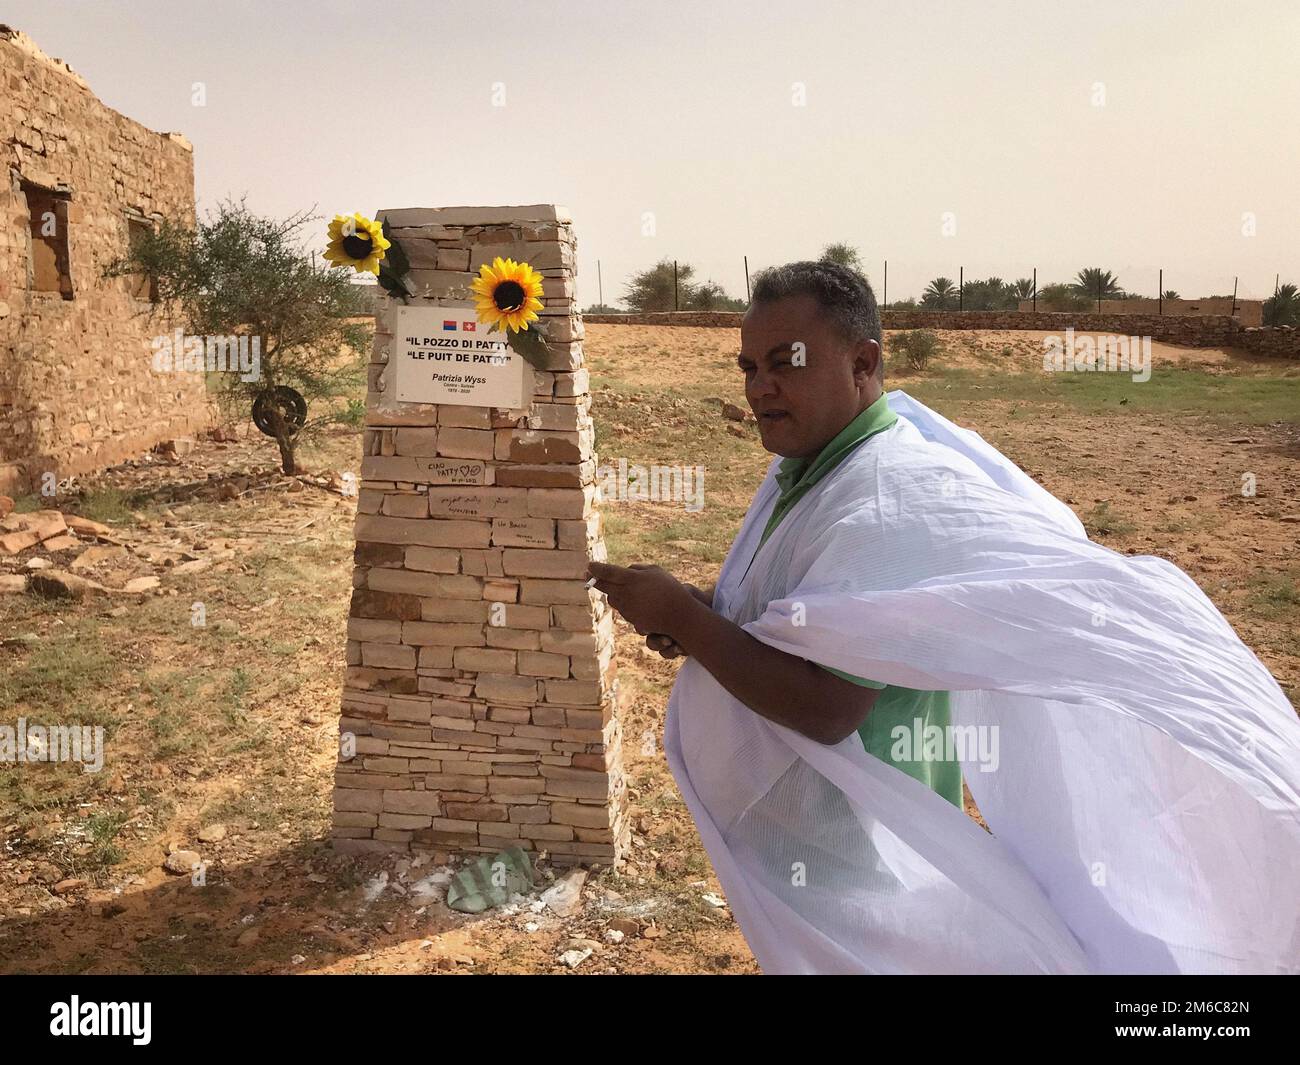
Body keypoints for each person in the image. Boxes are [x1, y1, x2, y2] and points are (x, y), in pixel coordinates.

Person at [588, 261, 1300, 974]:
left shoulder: (882, 494)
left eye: (786, 363)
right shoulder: (805, 471)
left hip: (871, 857)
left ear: (862, 362)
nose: (758, 386)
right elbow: (803, 614)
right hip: (813, 852)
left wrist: (683, 613)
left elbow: (829, 705)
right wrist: (699, 613)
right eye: (748, 367)